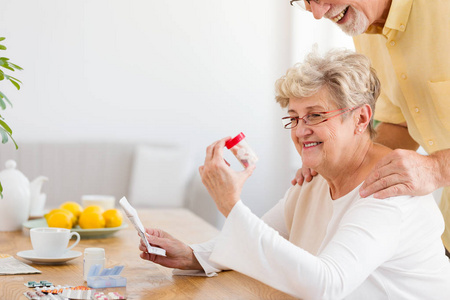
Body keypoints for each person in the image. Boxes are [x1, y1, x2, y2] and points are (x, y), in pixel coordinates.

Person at [139, 48, 450, 299]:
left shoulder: (388, 189)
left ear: (360, 118)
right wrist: (194, 256)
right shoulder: (316, 177)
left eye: (315, 115)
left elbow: (326, 284)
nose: (301, 130)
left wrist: (230, 205)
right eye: (294, 118)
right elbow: (266, 237)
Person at [289, 0, 450, 253]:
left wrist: (437, 168)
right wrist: (342, 159)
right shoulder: (364, 26)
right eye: (305, 2)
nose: (318, 14)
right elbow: (400, 122)